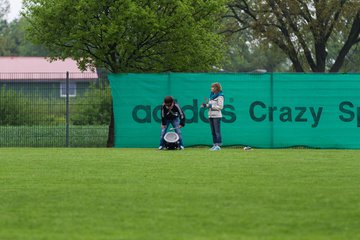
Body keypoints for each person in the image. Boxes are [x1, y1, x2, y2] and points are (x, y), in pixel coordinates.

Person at [202, 82, 224, 151]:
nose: (211, 88)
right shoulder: (211, 96)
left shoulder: (220, 96)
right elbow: (210, 105)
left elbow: (220, 107)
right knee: (213, 132)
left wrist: (211, 106)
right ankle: (214, 145)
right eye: (211, 87)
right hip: (210, 115)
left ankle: (218, 145)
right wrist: (205, 105)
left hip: (217, 116)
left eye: (213, 87)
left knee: (217, 131)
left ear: (216, 88)